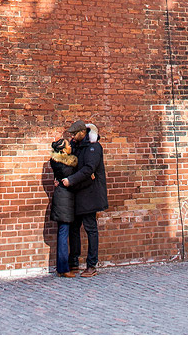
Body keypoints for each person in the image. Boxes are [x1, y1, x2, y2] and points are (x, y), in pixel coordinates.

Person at [60, 119, 108, 278]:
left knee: (90, 229)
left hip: (90, 195)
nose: (72, 137)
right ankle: (74, 262)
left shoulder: (94, 147)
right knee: (74, 229)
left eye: (74, 134)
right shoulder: (77, 146)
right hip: (77, 193)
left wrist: (71, 180)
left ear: (82, 133)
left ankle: (91, 265)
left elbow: (88, 169)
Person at [48, 137, 77, 277]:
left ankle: (63, 267)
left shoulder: (56, 163)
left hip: (61, 199)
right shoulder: (67, 167)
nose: (71, 146)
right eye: (68, 145)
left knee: (63, 232)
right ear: (64, 150)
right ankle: (63, 268)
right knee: (63, 233)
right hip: (64, 201)